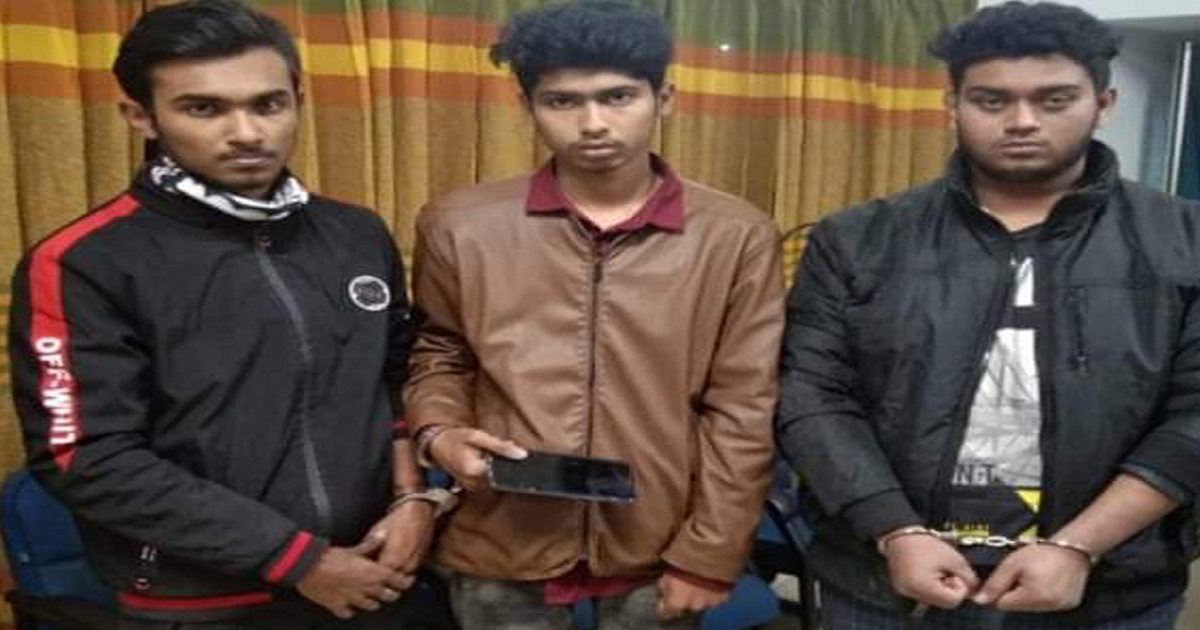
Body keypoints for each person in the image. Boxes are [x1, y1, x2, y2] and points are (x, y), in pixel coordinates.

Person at [8, 1, 447, 627]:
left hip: (377, 573)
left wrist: (414, 499)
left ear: (298, 99)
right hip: (203, 602)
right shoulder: (83, 261)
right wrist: (298, 560)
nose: (247, 133)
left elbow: (391, 381)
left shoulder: (356, 233)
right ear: (141, 116)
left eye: (268, 104)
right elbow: (85, 456)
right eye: (204, 108)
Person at [777, 2, 1200, 629]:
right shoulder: (859, 238)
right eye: (992, 100)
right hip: (881, 581)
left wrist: (1079, 545)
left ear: (1103, 103)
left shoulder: (1185, 240)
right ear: (952, 105)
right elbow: (810, 394)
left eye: (1054, 100)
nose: (1022, 121)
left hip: (1104, 588)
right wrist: (893, 529)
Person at [403, 2, 785, 629]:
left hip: (659, 536)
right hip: (502, 530)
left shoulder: (735, 235)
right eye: (562, 101)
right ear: (527, 105)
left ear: (664, 98)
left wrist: (710, 553)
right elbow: (441, 352)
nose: (593, 123)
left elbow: (743, 404)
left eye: (617, 97)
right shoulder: (460, 224)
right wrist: (439, 431)